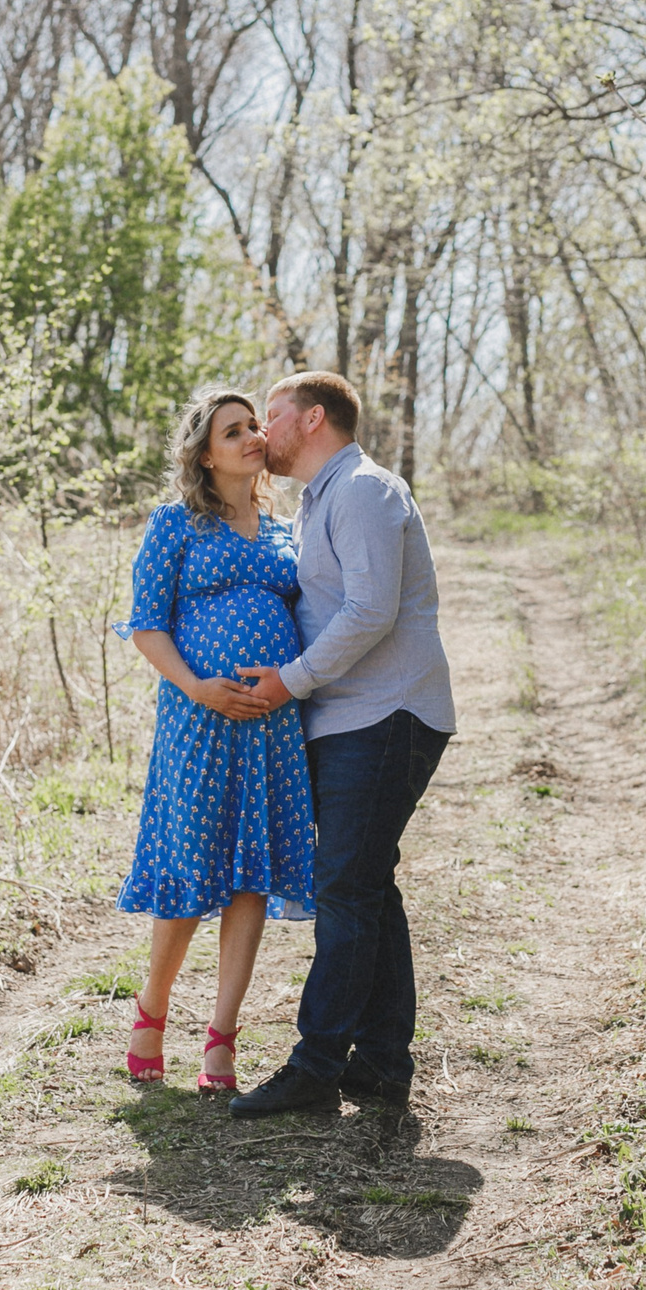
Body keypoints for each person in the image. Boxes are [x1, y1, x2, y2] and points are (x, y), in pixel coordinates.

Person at [228, 371, 455, 1117]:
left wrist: (289, 681)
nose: (264, 432)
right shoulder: (321, 499)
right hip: (353, 719)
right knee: (366, 886)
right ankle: (383, 1063)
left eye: (273, 415)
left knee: (345, 891)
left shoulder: (363, 490)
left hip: (385, 716)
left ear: (313, 418)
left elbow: (370, 610)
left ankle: (317, 1064)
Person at [114, 389, 316, 1093]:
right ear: (206, 451)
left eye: (255, 424)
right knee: (188, 864)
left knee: (252, 877)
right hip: (198, 721)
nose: (253, 435)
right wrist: (197, 686)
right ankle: (153, 1009)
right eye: (234, 430)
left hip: (272, 729)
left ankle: (222, 1037)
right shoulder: (176, 524)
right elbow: (146, 623)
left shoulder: (288, 528)